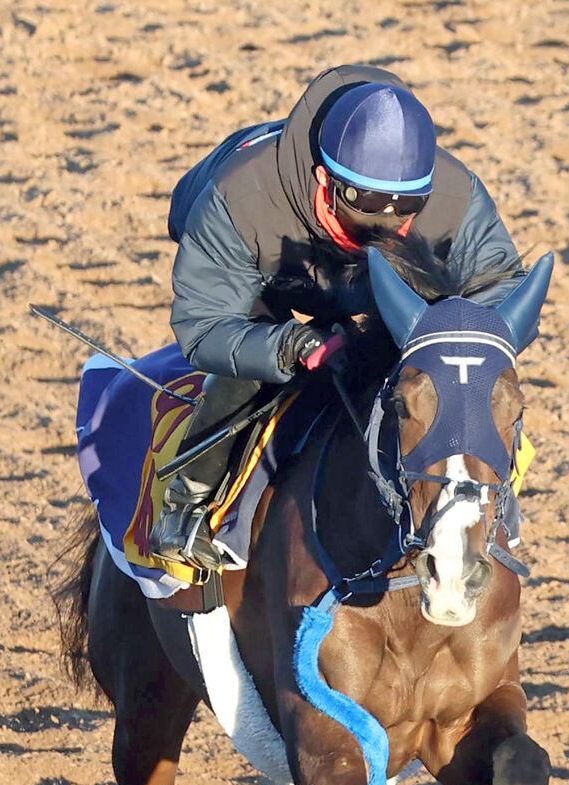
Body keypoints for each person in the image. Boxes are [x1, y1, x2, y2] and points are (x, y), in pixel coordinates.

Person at [151, 64, 526, 573]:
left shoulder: (457, 196)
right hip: (266, 275)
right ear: (326, 180)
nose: (389, 220)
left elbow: (499, 286)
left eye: (408, 203)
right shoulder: (239, 200)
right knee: (249, 372)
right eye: (367, 201)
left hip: (381, 288)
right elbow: (207, 325)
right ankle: (189, 502)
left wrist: (442, 343)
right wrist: (292, 345)